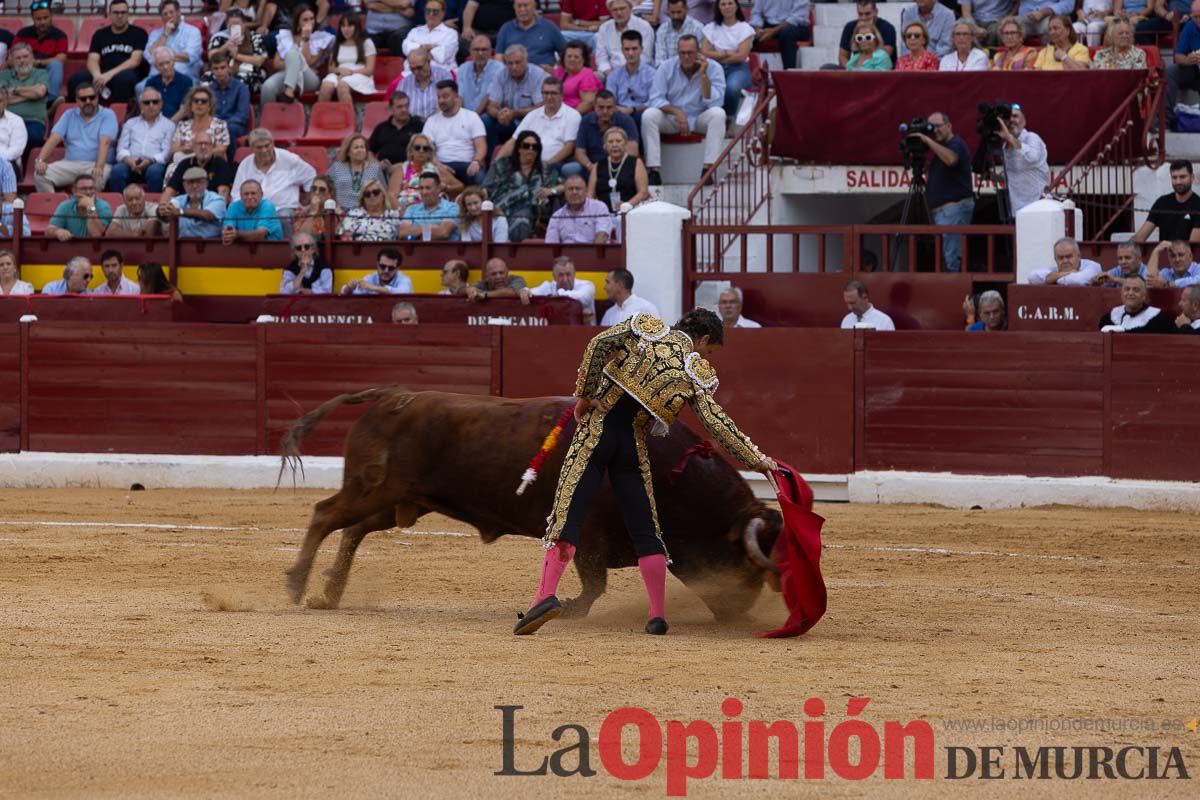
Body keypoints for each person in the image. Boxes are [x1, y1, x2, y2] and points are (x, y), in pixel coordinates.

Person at [514, 308, 777, 637]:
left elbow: (598, 343)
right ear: (704, 338)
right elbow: (717, 423)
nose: (705, 356)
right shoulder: (694, 371)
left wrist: (585, 394)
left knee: (569, 512)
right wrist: (757, 459)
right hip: (631, 446)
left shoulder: (645, 328)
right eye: (709, 350)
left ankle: (544, 596)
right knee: (645, 527)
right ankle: (656, 614)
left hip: (597, 432)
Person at [642, 35, 725, 186]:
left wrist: (704, 75)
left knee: (718, 114)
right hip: (673, 119)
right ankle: (654, 170)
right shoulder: (666, 67)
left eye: (690, 52)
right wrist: (676, 111)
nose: (686, 57)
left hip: (700, 117)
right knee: (649, 115)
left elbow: (716, 102)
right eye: (682, 53)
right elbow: (655, 98)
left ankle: (708, 170)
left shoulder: (714, 68)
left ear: (699, 52)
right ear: (677, 52)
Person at [909, 111, 974, 273]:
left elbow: (951, 160)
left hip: (954, 209)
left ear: (949, 126)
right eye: (932, 127)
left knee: (952, 259)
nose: (934, 130)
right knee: (946, 256)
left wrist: (927, 141)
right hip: (943, 213)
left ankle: (956, 294)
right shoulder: (941, 149)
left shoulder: (956, 144)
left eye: (938, 126)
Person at [34, 84, 117, 192]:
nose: (88, 101)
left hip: (95, 165)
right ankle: (57, 208)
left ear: (97, 98)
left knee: (98, 176)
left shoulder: (108, 114)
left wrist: (99, 167)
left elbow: (104, 143)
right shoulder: (69, 115)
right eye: (83, 99)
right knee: (40, 175)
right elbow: (54, 139)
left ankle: (88, 207)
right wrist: (40, 160)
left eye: (92, 97)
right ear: (77, 101)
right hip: (70, 163)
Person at [483, 130, 562, 241]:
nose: (530, 150)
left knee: (523, 216)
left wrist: (551, 190)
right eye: (526, 146)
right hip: (504, 211)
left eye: (535, 147)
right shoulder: (501, 165)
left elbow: (564, 186)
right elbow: (485, 189)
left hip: (535, 215)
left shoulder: (544, 168)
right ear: (518, 148)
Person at [66, 0, 147, 103]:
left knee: (124, 79)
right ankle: (75, 115)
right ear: (110, 15)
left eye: (123, 13)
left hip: (127, 73)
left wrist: (110, 74)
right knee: (76, 80)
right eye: (116, 13)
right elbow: (92, 59)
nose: (120, 16)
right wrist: (97, 75)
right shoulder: (100, 34)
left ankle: (120, 116)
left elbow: (135, 61)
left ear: (128, 14)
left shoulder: (138, 33)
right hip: (103, 73)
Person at [232, 128, 318, 224]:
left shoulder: (289, 159)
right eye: (259, 147)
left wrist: (307, 201)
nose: (264, 150)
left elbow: (311, 176)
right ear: (252, 149)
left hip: (283, 209)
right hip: (254, 211)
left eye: (267, 145)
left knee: (283, 217)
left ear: (273, 143)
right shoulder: (245, 164)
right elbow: (236, 194)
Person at [502, 77, 583, 178]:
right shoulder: (532, 115)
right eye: (546, 93)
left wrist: (544, 165)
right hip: (527, 163)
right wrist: (495, 163)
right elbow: (513, 141)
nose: (549, 97)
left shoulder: (572, 115)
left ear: (562, 95)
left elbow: (569, 147)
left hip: (554, 164)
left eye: (553, 93)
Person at [260, 5, 334, 104]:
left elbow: (308, 62)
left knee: (293, 54)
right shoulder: (286, 36)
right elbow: (276, 64)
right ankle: (269, 118)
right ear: (298, 22)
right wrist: (293, 64)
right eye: (305, 20)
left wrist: (306, 39)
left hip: (308, 77)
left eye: (312, 19)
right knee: (267, 88)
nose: (309, 22)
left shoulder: (320, 38)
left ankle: (289, 92)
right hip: (286, 74)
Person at [422, 80, 488, 186]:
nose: (441, 100)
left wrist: (476, 161)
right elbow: (426, 150)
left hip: (467, 164)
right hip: (441, 165)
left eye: (445, 96)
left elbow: (481, 145)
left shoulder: (472, 117)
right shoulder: (431, 121)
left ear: (456, 97)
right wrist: (438, 165)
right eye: (439, 97)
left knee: (479, 175)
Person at [110, 87, 175, 194]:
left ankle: (154, 205)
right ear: (140, 105)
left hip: (154, 163)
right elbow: (121, 149)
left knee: (154, 171)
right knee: (117, 170)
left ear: (161, 104)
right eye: (147, 102)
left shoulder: (169, 125)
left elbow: (166, 153)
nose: (151, 105)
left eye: (155, 102)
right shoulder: (130, 123)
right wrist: (129, 161)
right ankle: (120, 205)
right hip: (131, 163)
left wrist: (150, 161)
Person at [164, 84, 232, 186]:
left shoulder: (220, 125)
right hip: (183, 163)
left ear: (209, 106)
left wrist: (197, 152)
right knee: (174, 167)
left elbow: (221, 150)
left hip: (209, 164)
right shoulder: (183, 125)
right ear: (191, 105)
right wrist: (184, 148)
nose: (199, 104)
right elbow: (174, 148)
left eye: (203, 101)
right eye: (196, 101)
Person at [483, 44, 547, 149]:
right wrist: (499, 114)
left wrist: (514, 113)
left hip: (529, 121)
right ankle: (490, 161)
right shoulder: (501, 74)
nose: (514, 67)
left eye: (517, 62)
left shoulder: (537, 74)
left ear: (526, 61)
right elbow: (492, 105)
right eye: (510, 63)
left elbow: (539, 107)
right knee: (486, 120)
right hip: (507, 121)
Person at [702, 0, 753, 118]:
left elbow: (741, 56)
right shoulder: (711, 27)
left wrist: (717, 56)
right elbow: (704, 52)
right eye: (723, 4)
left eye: (730, 3)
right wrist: (725, 53)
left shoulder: (745, 28)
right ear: (718, 8)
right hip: (714, 68)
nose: (727, 7)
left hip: (738, 69)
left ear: (736, 6)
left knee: (732, 87)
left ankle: (729, 118)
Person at [387, 133, 464, 208]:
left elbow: (460, 186)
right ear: (411, 151)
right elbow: (392, 195)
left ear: (429, 153)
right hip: (407, 208)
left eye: (425, 148)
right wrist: (403, 213)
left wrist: (446, 188)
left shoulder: (436, 169)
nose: (421, 151)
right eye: (417, 148)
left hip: (432, 209)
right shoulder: (401, 169)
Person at [1132, 160, 1200, 244]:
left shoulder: (1198, 205)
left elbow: (1193, 244)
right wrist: (1125, 248)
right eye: (1174, 177)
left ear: (1192, 177)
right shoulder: (1162, 202)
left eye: (1182, 177)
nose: (1178, 182)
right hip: (1163, 255)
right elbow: (1140, 236)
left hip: (1187, 256)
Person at [589, 126, 650, 220]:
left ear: (625, 144)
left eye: (618, 141)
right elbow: (590, 194)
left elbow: (643, 192)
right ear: (605, 145)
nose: (614, 145)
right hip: (602, 215)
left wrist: (627, 205)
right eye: (610, 142)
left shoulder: (636, 162)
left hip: (628, 213)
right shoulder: (598, 166)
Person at [13, 1, 68, 104]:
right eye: (38, 19)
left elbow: (61, 58)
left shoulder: (60, 35)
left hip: (46, 72)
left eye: (45, 18)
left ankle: (50, 101)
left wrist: (37, 62)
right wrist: (28, 63)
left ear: (51, 17)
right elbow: (12, 56)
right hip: (26, 69)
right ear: (33, 19)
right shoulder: (22, 33)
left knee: (56, 65)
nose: (42, 22)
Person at [998, 105, 1049, 215]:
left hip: (1038, 208)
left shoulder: (1032, 137)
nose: (1011, 120)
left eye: (1015, 116)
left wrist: (1009, 137)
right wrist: (992, 176)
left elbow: (1032, 157)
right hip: (1018, 211)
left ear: (1024, 121)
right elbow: (1012, 175)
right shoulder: (1005, 147)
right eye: (1009, 117)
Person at [0, 43, 51, 153]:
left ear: (32, 57)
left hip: (33, 121)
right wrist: (31, 96)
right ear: (12, 61)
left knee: (32, 138)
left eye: (25, 56)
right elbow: (2, 97)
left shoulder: (41, 73)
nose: (22, 60)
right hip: (7, 121)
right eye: (18, 58)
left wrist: (14, 90)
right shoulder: (4, 75)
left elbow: (39, 92)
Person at [205, 9, 267, 97]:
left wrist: (237, 56)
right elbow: (211, 57)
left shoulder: (255, 37)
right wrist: (226, 46)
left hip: (249, 71)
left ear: (244, 24)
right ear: (227, 25)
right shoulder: (220, 37)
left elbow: (259, 60)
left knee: (237, 82)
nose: (235, 27)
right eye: (232, 25)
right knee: (207, 79)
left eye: (237, 24)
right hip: (223, 70)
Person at [318, 13, 377, 103]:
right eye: (343, 26)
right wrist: (340, 71)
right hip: (340, 73)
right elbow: (330, 68)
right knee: (326, 87)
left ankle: (348, 116)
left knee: (342, 86)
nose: (346, 29)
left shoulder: (366, 43)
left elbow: (369, 70)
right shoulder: (337, 43)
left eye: (349, 26)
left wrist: (351, 72)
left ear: (356, 27)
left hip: (360, 74)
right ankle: (322, 116)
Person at [579, 90, 640, 177]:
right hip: (592, 167)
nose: (605, 111)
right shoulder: (586, 121)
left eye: (609, 107)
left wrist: (611, 168)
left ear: (615, 107)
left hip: (619, 167)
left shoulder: (626, 120)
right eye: (601, 107)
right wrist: (590, 166)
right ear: (594, 107)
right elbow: (580, 151)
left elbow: (632, 152)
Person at [161, 131, 234, 203]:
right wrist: (162, 206)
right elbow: (169, 190)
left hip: (210, 207)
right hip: (185, 206)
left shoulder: (220, 164)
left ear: (212, 147)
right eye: (199, 144)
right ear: (193, 147)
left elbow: (223, 191)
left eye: (206, 144)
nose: (203, 147)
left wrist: (218, 208)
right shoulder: (184, 164)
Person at [144, 0, 203, 84]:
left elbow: (190, 56)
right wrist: (165, 34)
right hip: (156, 78)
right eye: (165, 14)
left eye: (171, 12)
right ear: (161, 17)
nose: (169, 16)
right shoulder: (155, 34)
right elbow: (150, 56)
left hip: (184, 78)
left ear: (179, 12)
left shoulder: (193, 32)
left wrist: (162, 58)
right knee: (139, 88)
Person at [546, 173, 616, 244]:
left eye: (578, 188)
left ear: (585, 191)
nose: (574, 192)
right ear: (565, 193)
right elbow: (551, 244)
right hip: (566, 253)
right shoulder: (556, 216)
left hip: (593, 252)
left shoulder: (599, 208)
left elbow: (602, 236)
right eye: (570, 189)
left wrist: (591, 254)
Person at [497, 0, 567, 69]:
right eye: (519, 6)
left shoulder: (549, 27)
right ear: (514, 7)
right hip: (514, 75)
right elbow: (499, 57)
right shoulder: (506, 29)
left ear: (534, 7)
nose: (522, 9)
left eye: (526, 5)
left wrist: (557, 70)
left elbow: (565, 53)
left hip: (544, 76)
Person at [160, 166, 227, 238]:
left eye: (199, 182)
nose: (195, 186)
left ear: (206, 183)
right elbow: (165, 215)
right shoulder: (178, 200)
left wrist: (180, 212)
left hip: (210, 245)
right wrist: (162, 210)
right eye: (190, 182)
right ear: (184, 185)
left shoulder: (217, 199)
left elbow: (207, 215)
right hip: (182, 245)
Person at [205, 50, 254, 148]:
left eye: (223, 67)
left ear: (228, 68)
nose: (219, 71)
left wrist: (222, 125)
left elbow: (242, 115)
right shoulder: (208, 90)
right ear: (212, 70)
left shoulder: (241, 88)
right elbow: (207, 113)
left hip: (235, 126)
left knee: (228, 129)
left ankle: (230, 163)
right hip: (214, 125)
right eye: (216, 68)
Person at [595, 0, 656, 77]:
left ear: (630, 8)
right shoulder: (604, 28)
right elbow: (601, 58)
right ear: (610, 12)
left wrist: (625, 75)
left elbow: (645, 57)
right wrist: (611, 74)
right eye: (615, 10)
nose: (619, 13)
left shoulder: (644, 26)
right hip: (611, 72)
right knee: (595, 77)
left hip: (638, 71)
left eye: (622, 8)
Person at [606, 33, 655, 129]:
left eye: (634, 49)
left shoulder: (652, 74)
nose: (630, 53)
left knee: (641, 117)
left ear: (642, 49)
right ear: (622, 50)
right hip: (619, 112)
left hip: (641, 112)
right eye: (627, 49)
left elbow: (654, 101)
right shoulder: (614, 75)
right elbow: (609, 100)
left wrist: (632, 109)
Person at [529, 255, 597, 322]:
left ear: (574, 274)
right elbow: (530, 293)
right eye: (561, 275)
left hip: (586, 331)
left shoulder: (587, 285)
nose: (565, 279)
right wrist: (525, 291)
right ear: (554, 276)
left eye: (568, 274)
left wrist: (558, 294)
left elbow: (583, 298)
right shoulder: (548, 286)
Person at [46, 173, 113, 240]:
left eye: (91, 188)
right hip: (71, 247)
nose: (88, 192)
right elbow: (48, 232)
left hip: (94, 248)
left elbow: (96, 234)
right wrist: (57, 231)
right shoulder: (65, 206)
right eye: (84, 189)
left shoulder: (103, 206)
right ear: (74, 191)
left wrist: (90, 207)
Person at [330, 133, 386, 211]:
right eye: (356, 148)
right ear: (348, 152)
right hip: (340, 211)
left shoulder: (375, 169)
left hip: (365, 212)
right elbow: (328, 189)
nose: (360, 150)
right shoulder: (337, 167)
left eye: (362, 147)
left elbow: (383, 192)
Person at [392, 50, 454, 121]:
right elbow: (397, 107)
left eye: (419, 68)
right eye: (412, 69)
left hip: (440, 122)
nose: (416, 72)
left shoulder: (443, 76)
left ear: (428, 62)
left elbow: (449, 102)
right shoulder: (404, 83)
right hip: (412, 125)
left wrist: (429, 121)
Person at [1098, 276, 1176, 333]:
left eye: (1136, 290)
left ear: (1144, 296)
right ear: (1121, 294)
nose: (1130, 293)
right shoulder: (1108, 319)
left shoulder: (1159, 319)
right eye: (1127, 289)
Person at [369, 91, 425, 170]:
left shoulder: (418, 126)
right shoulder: (381, 127)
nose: (404, 110)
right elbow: (370, 152)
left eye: (406, 106)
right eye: (400, 107)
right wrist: (377, 165)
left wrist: (400, 167)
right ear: (391, 109)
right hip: (383, 171)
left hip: (409, 170)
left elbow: (425, 152)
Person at [749, 0, 810, 71]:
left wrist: (773, 31)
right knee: (748, 32)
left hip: (795, 25)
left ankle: (789, 73)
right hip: (770, 24)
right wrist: (757, 29)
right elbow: (756, 13)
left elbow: (797, 18)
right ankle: (750, 71)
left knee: (786, 34)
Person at [398, 171, 460, 239]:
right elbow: (402, 233)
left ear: (438, 189)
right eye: (421, 188)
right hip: (417, 249)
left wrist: (415, 232)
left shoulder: (452, 208)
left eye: (428, 188)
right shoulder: (411, 209)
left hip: (444, 249)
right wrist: (432, 227)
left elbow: (443, 233)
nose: (424, 192)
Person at [402, 0, 459, 71]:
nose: (431, 14)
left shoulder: (451, 33)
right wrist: (423, 47)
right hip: (411, 74)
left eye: (435, 11)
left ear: (443, 13)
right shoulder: (415, 31)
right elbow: (405, 48)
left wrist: (417, 52)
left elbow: (442, 56)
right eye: (428, 11)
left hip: (441, 74)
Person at [223, 179, 285, 243]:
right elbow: (228, 230)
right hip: (242, 249)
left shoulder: (267, 206)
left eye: (253, 193)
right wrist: (228, 232)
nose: (250, 197)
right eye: (246, 194)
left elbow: (260, 235)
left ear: (261, 195)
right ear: (241, 196)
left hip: (270, 249)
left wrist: (236, 234)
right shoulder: (233, 206)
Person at [458, 35, 506, 116]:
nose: (480, 53)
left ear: (491, 51)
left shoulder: (499, 68)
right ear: (470, 51)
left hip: (486, 113)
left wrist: (474, 118)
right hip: (465, 114)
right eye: (476, 50)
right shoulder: (463, 68)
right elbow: (460, 97)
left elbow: (488, 97)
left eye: (484, 50)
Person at [838, 2, 896, 67]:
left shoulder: (887, 28)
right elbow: (843, 56)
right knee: (828, 67)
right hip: (856, 69)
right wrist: (851, 71)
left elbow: (885, 55)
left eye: (867, 13)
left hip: (879, 69)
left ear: (876, 12)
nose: (863, 18)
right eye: (860, 14)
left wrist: (860, 71)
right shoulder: (850, 27)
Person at [145, 47, 195, 121]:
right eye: (161, 64)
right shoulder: (151, 82)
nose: (165, 67)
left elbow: (184, 110)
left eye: (168, 62)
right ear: (156, 67)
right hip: (156, 123)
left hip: (178, 123)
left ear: (174, 62)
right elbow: (148, 108)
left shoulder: (186, 81)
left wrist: (168, 126)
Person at [1025, 237, 1103, 284]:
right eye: (1061, 258)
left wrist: (1052, 278)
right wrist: (1066, 273)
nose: (1065, 261)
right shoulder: (1058, 270)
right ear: (1055, 259)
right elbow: (1032, 276)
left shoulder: (1093, 266)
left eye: (1069, 257)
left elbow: (1076, 281)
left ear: (1079, 256)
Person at [555, 41, 604, 115]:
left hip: (576, 117)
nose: (572, 59)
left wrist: (568, 117)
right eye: (569, 56)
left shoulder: (587, 75)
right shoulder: (558, 72)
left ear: (583, 59)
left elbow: (588, 103)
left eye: (576, 57)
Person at [341, 247, 414, 295]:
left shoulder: (404, 279)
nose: (386, 271)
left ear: (398, 268)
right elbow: (356, 294)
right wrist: (349, 288)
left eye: (391, 268)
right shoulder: (370, 278)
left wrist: (373, 287)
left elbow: (402, 293)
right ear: (377, 264)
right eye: (382, 266)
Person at [293, 174, 345, 240]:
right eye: (314, 188)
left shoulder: (338, 213)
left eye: (322, 190)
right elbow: (302, 237)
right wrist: (313, 212)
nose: (317, 192)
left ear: (329, 194)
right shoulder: (301, 212)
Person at [656, 0, 706, 65]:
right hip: (668, 72)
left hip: (691, 69)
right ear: (668, 11)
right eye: (672, 12)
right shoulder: (662, 29)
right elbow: (659, 58)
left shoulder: (698, 28)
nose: (675, 16)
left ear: (686, 9)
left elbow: (699, 56)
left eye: (679, 12)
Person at [0, 93, 28, 166]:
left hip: (8, 163)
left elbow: (16, 150)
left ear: (5, 103)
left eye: (0, 101)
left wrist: (1, 159)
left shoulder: (16, 121)